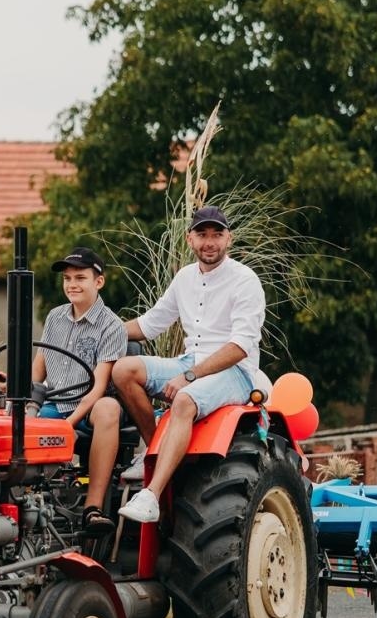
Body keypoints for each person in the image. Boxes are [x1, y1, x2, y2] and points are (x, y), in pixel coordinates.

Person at [113, 205, 265, 524]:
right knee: (123, 370)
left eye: (217, 234)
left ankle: (151, 495)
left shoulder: (245, 281)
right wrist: (99, 328)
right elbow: (150, 324)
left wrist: (189, 376)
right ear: (189, 239)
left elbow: (239, 347)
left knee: (184, 400)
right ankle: (157, 449)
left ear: (229, 239)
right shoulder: (184, 277)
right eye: (202, 234)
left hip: (234, 372)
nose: (209, 242)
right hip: (189, 361)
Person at [32, 246, 127, 535]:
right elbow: (39, 369)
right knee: (16, 422)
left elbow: (98, 388)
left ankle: (92, 509)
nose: (72, 284)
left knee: (109, 408)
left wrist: (68, 425)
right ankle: (26, 504)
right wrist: (26, 402)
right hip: (55, 403)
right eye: (67, 278)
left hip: (90, 408)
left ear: (99, 281)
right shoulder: (55, 318)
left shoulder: (112, 326)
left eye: (80, 278)